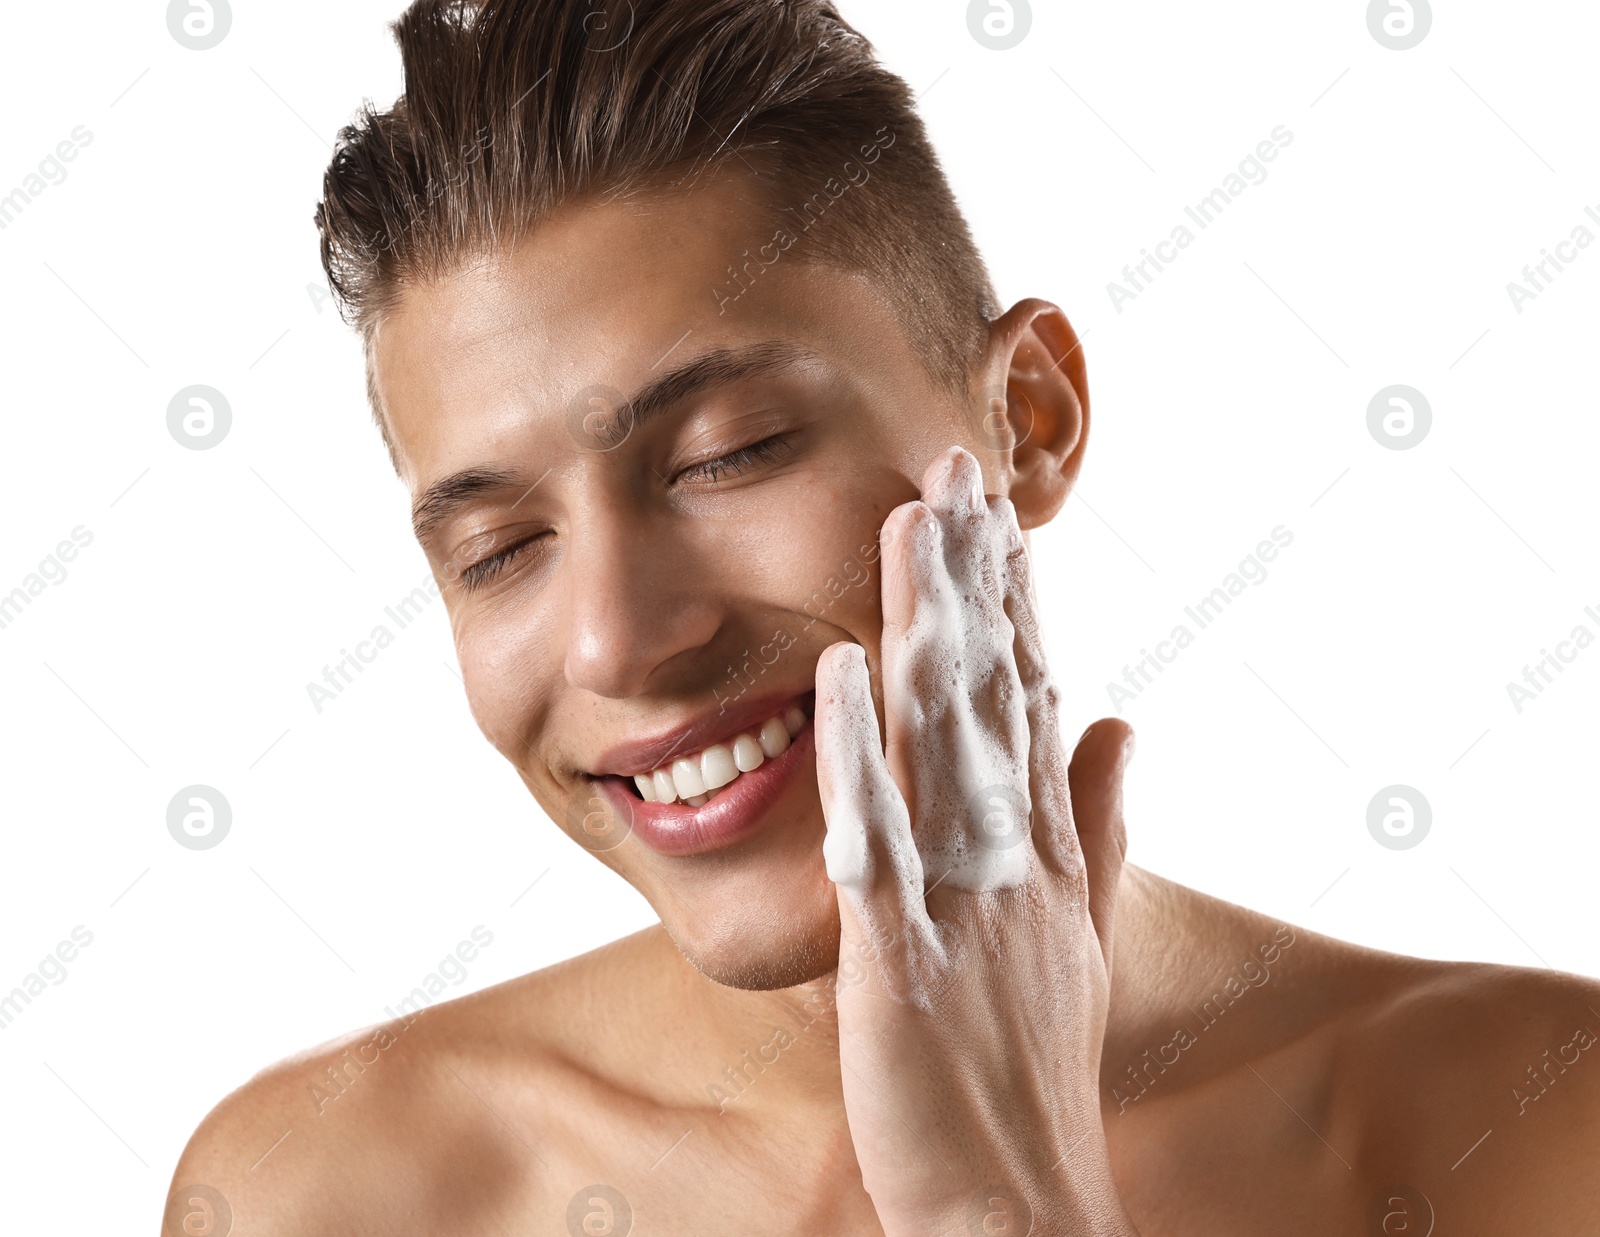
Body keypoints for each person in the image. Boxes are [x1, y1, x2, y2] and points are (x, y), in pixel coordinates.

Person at [167, 2, 1600, 1233]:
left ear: (1027, 420)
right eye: (499, 548)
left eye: (728, 453)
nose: (615, 640)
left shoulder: (1539, 1130)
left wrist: (1010, 1198)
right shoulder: (331, 1193)